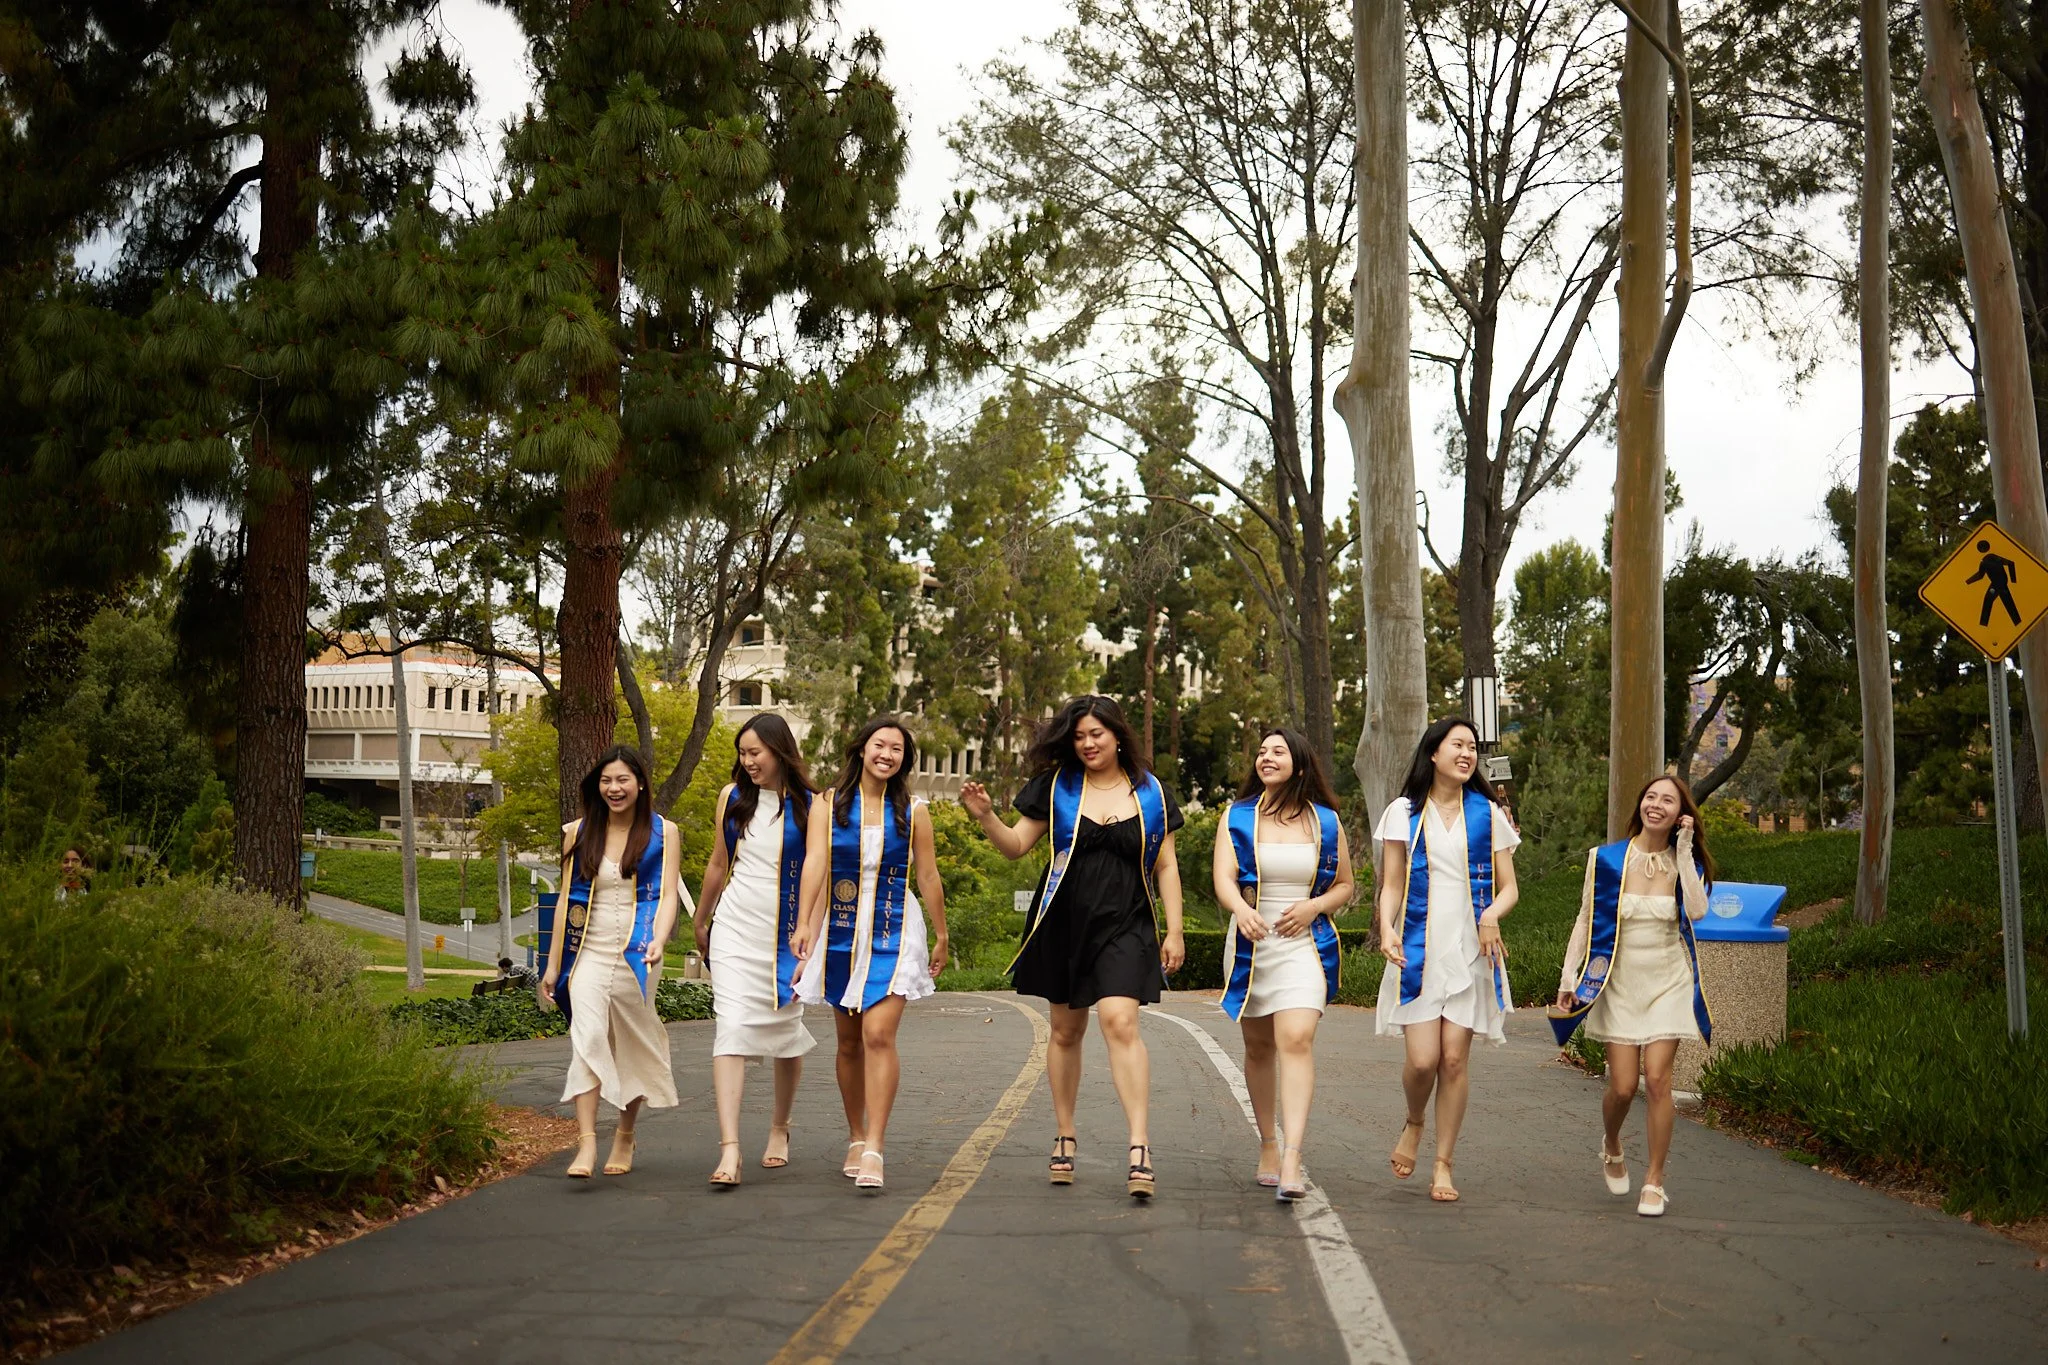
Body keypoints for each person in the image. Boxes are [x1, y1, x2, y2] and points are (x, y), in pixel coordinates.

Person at [960, 694, 1186, 1199]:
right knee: (1065, 1030)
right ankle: (1065, 1134)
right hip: (1063, 920)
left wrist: (1174, 930)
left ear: (1117, 735)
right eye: (1079, 736)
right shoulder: (1057, 786)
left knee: (1120, 1022)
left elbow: (1166, 865)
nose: (1087, 743)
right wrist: (986, 817)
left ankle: (1139, 1145)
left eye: (1096, 734)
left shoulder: (1151, 792)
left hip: (1127, 921)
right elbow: (1016, 846)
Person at [792, 716, 950, 1193]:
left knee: (878, 1034)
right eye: (880, 745)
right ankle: (856, 1135)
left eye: (897, 749)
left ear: (904, 760)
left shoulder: (914, 811)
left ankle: (876, 1145)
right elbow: (815, 863)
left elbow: (928, 876)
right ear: (862, 749)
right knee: (848, 1042)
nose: (887, 754)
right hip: (841, 928)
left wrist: (942, 934)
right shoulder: (829, 804)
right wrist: (804, 923)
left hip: (893, 927)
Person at [1551, 774, 1714, 1218]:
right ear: (1640, 804)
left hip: (1668, 982)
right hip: (1617, 983)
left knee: (1658, 1080)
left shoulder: (1683, 862)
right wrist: (1568, 979)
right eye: (1650, 797)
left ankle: (1655, 1181)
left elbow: (1698, 911)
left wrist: (1684, 848)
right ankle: (1611, 1143)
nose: (1656, 805)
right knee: (1623, 1087)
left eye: (1668, 800)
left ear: (1681, 814)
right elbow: (1585, 920)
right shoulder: (1606, 860)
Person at [1374, 717, 1520, 1204]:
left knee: (1454, 1060)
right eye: (1457, 744)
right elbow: (1392, 883)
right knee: (1423, 1061)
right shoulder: (1404, 812)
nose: (1467, 753)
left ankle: (1443, 1163)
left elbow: (1509, 888)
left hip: (1471, 950)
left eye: (1472, 747)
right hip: (1419, 948)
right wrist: (1388, 927)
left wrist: (1492, 915)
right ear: (1433, 753)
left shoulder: (1487, 813)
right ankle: (1415, 1121)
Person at [1212, 728, 1354, 1202]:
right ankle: (1268, 1145)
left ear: (1300, 763)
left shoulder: (1325, 821)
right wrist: (1241, 909)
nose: (1266, 757)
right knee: (1258, 1047)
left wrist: (1314, 907)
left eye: (1278, 751)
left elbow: (1344, 885)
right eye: (1261, 752)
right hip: (1253, 943)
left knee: (1295, 1038)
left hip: (1303, 945)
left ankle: (1293, 1155)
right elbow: (1223, 877)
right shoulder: (1237, 816)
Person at [539, 745, 683, 1179]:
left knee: (630, 1044)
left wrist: (660, 939)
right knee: (587, 1038)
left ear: (639, 783)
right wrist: (552, 965)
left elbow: (669, 894)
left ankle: (625, 1134)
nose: (614, 788)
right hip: (588, 951)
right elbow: (566, 900)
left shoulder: (664, 832)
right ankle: (586, 1143)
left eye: (622, 780)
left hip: (639, 953)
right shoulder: (579, 832)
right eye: (606, 781)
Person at [694, 713, 820, 1189]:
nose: (747, 762)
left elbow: (820, 875)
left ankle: (779, 1127)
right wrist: (701, 918)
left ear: (779, 751)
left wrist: (810, 934)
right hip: (735, 927)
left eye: (755, 753)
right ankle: (730, 1148)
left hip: (787, 934)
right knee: (730, 1027)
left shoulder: (812, 805)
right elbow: (718, 862)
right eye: (742, 754)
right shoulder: (732, 798)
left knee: (786, 1029)